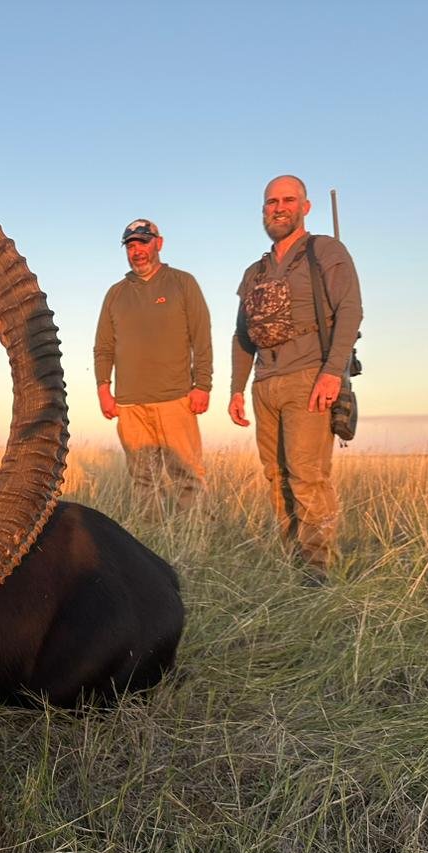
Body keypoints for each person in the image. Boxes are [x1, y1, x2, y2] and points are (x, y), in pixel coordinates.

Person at [228, 175, 362, 584]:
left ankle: (317, 573)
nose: (278, 207)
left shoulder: (325, 251)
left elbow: (351, 310)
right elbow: (242, 334)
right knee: (276, 477)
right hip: (264, 383)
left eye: (288, 200)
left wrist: (331, 373)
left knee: (307, 476)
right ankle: (293, 563)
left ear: (305, 207)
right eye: (271, 202)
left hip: (309, 376)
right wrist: (236, 388)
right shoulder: (256, 271)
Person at [94, 218, 213, 518]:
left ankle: (194, 539)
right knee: (143, 479)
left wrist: (203, 385)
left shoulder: (182, 283)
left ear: (158, 243)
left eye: (143, 243)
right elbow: (103, 347)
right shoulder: (116, 293)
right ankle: (151, 542)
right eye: (131, 246)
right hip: (130, 403)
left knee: (187, 475)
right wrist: (103, 390)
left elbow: (202, 336)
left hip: (176, 398)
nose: (137, 251)